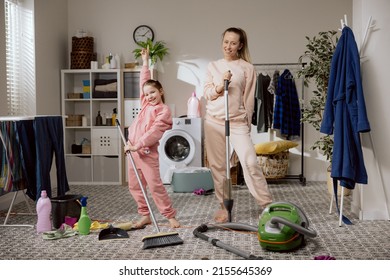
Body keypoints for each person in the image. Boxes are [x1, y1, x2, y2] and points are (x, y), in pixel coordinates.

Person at [203, 27, 273, 223]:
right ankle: (224, 207)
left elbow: (249, 100)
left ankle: (266, 205)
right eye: (226, 41)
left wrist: (247, 124)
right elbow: (207, 93)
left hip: (237, 122)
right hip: (214, 121)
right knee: (218, 166)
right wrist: (220, 85)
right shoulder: (213, 66)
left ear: (240, 45)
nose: (228, 46)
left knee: (250, 163)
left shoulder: (247, 68)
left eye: (233, 43)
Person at [124, 48, 180, 228]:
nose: (149, 96)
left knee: (155, 185)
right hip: (132, 151)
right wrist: (145, 62)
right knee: (134, 186)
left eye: (153, 93)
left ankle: (169, 215)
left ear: (161, 91)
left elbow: (154, 132)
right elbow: (144, 82)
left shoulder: (164, 111)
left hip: (146, 153)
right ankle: (145, 214)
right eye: (147, 94)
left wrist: (138, 145)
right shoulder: (145, 103)